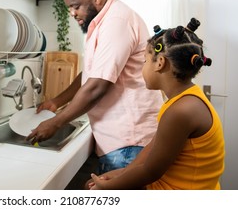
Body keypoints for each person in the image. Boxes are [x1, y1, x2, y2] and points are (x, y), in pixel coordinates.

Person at [26, 0, 163, 175]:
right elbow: (91, 74)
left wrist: (55, 123)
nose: (72, 13)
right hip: (119, 141)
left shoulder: (117, 22)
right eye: (69, 8)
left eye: (76, 6)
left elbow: (97, 86)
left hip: (129, 142)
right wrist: (56, 102)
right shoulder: (102, 22)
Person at [88, 18, 225, 190]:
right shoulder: (183, 100)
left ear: (160, 63)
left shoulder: (180, 111)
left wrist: (108, 186)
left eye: (145, 61)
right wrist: (121, 173)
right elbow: (152, 148)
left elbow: (150, 171)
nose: (142, 67)